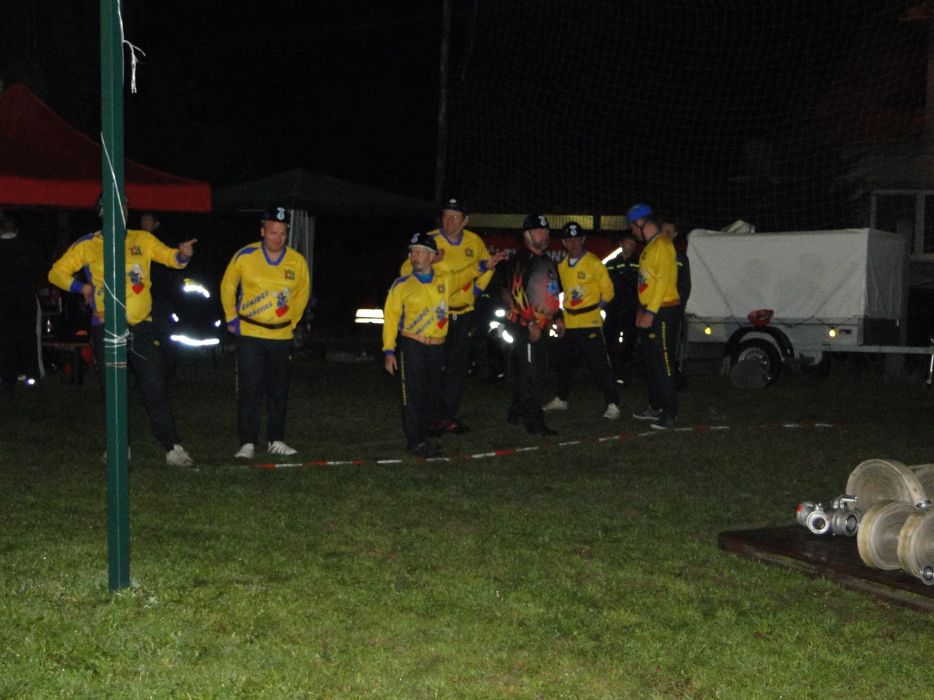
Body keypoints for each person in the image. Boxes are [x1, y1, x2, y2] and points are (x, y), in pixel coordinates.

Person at [47, 196, 197, 465]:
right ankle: (119, 445)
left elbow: (170, 258)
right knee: (112, 390)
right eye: (115, 208)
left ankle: (172, 446)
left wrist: (183, 254)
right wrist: (81, 287)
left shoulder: (143, 239)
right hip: (106, 329)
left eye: (125, 208)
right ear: (102, 213)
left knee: (155, 386)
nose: (122, 213)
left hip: (141, 327)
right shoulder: (88, 244)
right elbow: (56, 273)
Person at [383, 232, 507, 457]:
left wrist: (485, 264)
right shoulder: (402, 285)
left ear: (433, 256)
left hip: (437, 346)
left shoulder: (444, 281)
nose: (415, 256)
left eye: (421, 252)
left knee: (432, 392)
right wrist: (389, 350)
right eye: (412, 252)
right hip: (413, 345)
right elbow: (391, 318)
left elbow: (465, 274)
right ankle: (415, 441)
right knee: (413, 394)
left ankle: (425, 435)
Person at [221, 206, 311, 460]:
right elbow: (228, 285)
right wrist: (231, 317)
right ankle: (247, 442)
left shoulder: (297, 261)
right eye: (273, 232)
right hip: (250, 333)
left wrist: (292, 321)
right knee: (249, 389)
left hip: (281, 337)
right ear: (262, 231)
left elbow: (302, 293)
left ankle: (276, 439)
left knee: (278, 390)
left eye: (282, 233)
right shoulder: (246, 255)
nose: (278, 238)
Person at [398, 197, 492, 435]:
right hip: (437, 317)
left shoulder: (474, 241)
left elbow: (487, 266)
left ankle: (447, 416)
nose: (449, 222)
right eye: (446, 216)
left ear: (465, 221)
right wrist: (431, 260)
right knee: (434, 368)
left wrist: (476, 291)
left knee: (457, 368)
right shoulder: (431, 240)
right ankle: (429, 417)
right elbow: (405, 270)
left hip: (464, 314)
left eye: (454, 217)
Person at [543, 221, 620, 419]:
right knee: (565, 363)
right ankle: (561, 398)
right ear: (564, 243)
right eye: (569, 240)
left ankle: (612, 403)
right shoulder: (562, 266)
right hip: (569, 321)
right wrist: (560, 318)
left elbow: (609, 291)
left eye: (577, 239)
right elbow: (561, 293)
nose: (574, 243)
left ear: (583, 240)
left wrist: (595, 308)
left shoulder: (593, 263)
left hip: (589, 322)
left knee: (599, 363)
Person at [503, 214, 561, 435]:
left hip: (543, 323)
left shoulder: (546, 260)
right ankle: (534, 422)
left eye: (545, 230)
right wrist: (531, 323)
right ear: (527, 234)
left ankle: (516, 412)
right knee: (532, 374)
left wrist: (558, 317)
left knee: (533, 370)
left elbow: (554, 292)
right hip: (527, 324)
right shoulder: (521, 259)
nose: (543, 234)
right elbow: (517, 292)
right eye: (538, 230)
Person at [626, 203, 680, 430]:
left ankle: (669, 412)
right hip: (651, 309)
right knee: (651, 362)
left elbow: (662, 282)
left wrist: (650, 312)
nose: (632, 232)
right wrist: (641, 308)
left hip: (663, 310)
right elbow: (646, 282)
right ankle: (656, 405)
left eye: (632, 227)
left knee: (664, 361)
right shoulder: (650, 247)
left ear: (641, 222)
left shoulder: (663, 245)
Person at [0, 215, 45, 391]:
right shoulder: (29, 248)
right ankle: (33, 375)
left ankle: (7, 377)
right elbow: (41, 271)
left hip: (3, 300)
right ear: (16, 230)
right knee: (30, 337)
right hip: (25, 299)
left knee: (5, 338)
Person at [140, 211, 180, 382]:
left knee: (164, 336)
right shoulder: (138, 242)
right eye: (143, 220)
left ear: (156, 223)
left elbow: (171, 265)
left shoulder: (162, 242)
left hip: (162, 298)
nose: (145, 224)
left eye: (148, 221)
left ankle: (168, 374)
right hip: (144, 299)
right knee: (146, 337)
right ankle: (149, 373)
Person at [603, 232, 640, 384]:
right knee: (610, 340)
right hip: (613, 308)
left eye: (632, 243)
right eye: (627, 242)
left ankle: (625, 373)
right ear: (621, 243)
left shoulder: (640, 263)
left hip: (631, 309)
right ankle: (611, 371)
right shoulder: (611, 264)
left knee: (630, 341)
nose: (630, 246)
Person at [661, 220, 691, 389]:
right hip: (655, 309)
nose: (667, 234)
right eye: (664, 230)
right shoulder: (654, 253)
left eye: (670, 231)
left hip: (672, 310)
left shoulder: (680, 257)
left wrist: (679, 307)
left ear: (675, 234)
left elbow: (685, 285)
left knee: (671, 344)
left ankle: (672, 378)